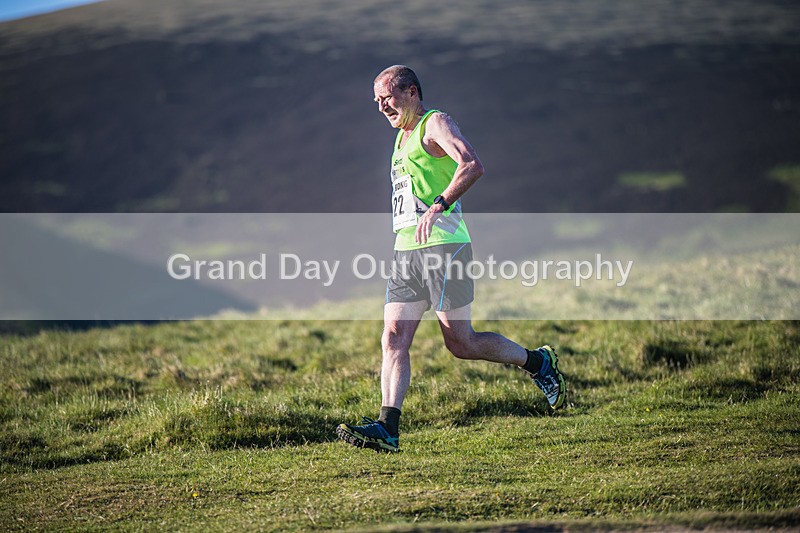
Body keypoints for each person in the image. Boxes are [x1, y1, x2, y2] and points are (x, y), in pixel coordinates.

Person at [336, 65, 566, 453]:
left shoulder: (433, 123)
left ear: (411, 92)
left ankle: (538, 363)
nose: (380, 108)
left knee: (461, 342)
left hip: (445, 247)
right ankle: (387, 427)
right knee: (392, 337)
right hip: (407, 250)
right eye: (375, 101)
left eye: (386, 98)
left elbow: (472, 164)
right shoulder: (401, 138)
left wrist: (440, 205)